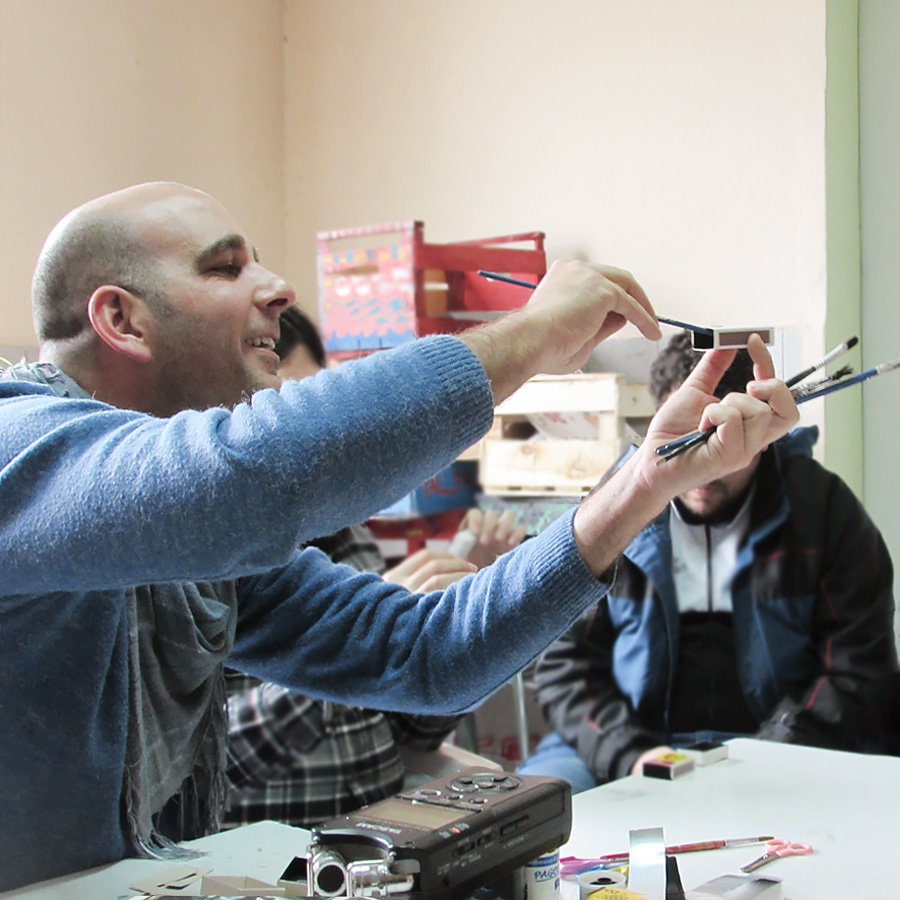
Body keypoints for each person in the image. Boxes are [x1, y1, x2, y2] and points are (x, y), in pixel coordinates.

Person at [0, 181, 797, 892]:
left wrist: (645, 482)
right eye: (225, 267)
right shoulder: (18, 447)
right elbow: (248, 478)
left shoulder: (193, 548)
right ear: (121, 319)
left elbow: (426, 653)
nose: (278, 289)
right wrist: (536, 332)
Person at [519, 332, 898, 793]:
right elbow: (568, 666)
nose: (701, 461)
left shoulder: (824, 509)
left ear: (760, 431)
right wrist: (631, 754)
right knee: (545, 799)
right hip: (637, 744)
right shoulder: (610, 510)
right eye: (681, 434)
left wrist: (765, 758)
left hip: (787, 746)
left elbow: (857, 668)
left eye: (721, 434)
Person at [224, 307, 527, 828]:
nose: (310, 434)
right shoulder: (205, 560)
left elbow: (412, 730)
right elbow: (218, 761)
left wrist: (457, 612)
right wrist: (355, 646)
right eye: (282, 408)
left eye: (314, 400)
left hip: (384, 835)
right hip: (272, 848)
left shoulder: (346, 531)